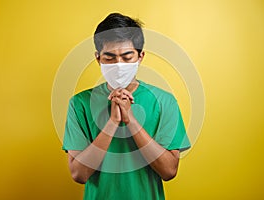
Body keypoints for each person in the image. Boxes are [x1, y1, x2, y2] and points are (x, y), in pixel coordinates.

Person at [62, 13, 191, 200]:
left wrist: (130, 120)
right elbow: (79, 174)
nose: (119, 65)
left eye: (127, 57)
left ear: (140, 56)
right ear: (98, 58)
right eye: (110, 58)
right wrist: (113, 122)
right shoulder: (80, 103)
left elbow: (169, 171)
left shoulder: (164, 101)